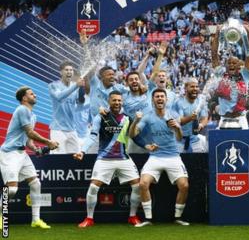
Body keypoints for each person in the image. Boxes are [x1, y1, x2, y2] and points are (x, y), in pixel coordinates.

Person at [74, 91, 141, 227]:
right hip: (104, 159)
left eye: (119, 100)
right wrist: (82, 151)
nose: (117, 103)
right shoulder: (101, 117)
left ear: (122, 102)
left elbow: (133, 135)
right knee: (93, 187)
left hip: (123, 158)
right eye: (114, 100)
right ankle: (89, 218)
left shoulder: (127, 118)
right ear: (109, 102)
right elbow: (92, 136)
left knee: (137, 186)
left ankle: (132, 216)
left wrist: (137, 121)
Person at [0, 87, 59, 229]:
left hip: (22, 153)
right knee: (12, 190)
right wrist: (48, 142)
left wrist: (36, 150)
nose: (35, 95)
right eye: (31, 94)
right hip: (9, 153)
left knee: (35, 183)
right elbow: (30, 132)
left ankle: (36, 220)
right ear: (24, 98)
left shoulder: (33, 115)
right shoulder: (21, 109)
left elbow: (28, 140)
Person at [129, 89, 189, 226]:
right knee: (143, 184)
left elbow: (179, 138)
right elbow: (133, 134)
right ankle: (148, 219)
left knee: (184, 186)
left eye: (162, 96)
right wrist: (135, 121)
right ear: (153, 100)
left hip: (173, 157)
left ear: (166, 100)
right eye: (157, 97)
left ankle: (178, 217)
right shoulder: (147, 116)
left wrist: (178, 128)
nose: (160, 99)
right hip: (155, 157)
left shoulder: (173, 115)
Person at [210, 24, 249, 129]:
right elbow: (213, 55)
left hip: (241, 119)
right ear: (225, 66)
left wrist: (248, 33)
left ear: (239, 66)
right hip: (223, 119)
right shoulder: (221, 75)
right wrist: (217, 34)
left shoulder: (245, 76)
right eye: (229, 63)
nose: (231, 65)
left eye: (234, 63)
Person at [48, 61, 86, 154]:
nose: (69, 72)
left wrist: (81, 88)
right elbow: (59, 97)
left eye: (71, 70)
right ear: (61, 72)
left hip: (72, 129)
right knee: (58, 159)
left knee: (76, 157)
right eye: (66, 70)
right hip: (58, 129)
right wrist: (77, 86)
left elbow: (80, 102)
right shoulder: (53, 85)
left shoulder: (75, 85)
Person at [175, 78, 208, 153]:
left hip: (194, 137)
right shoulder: (179, 102)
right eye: (192, 86)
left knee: (199, 158)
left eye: (197, 87)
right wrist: (191, 117)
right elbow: (180, 121)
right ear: (186, 88)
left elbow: (204, 118)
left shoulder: (201, 101)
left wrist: (201, 124)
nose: (195, 89)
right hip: (179, 139)